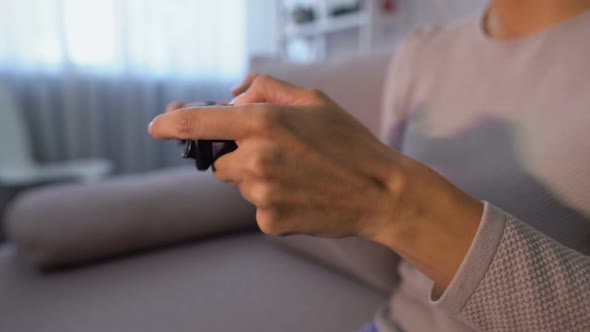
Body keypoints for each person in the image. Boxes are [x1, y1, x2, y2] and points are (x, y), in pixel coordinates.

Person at [148, 0, 590, 330]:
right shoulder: (425, 51)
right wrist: (286, 162)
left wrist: (393, 202)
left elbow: (388, 204)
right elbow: (390, 252)